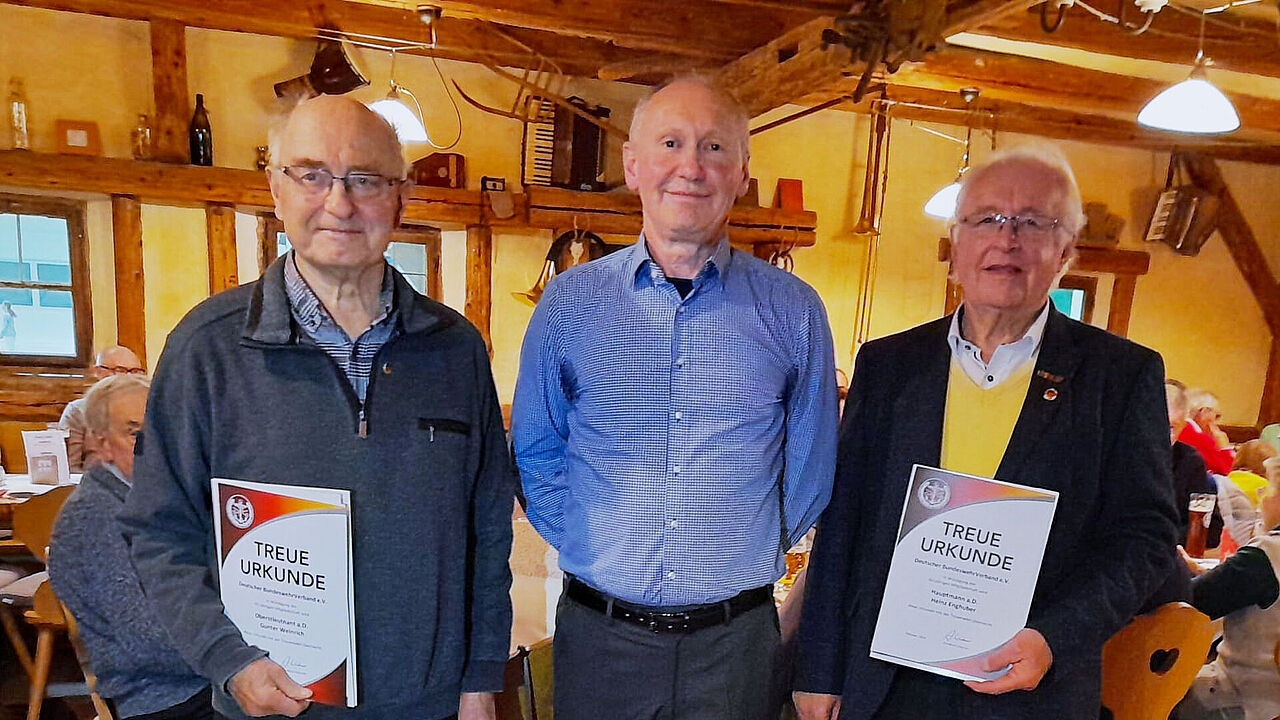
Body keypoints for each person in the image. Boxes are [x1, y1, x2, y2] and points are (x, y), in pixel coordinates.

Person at [118, 95, 514, 720]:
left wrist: (479, 681)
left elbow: (487, 531)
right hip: (278, 705)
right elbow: (160, 531)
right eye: (312, 175)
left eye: (365, 179)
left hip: (428, 704)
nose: (340, 202)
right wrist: (229, 660)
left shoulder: (455, 349)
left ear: (401, 198)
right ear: (276, 189)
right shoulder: (207, 348)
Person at [793, 146, 1177, 720]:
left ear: (1066, 250)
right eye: (987, 219)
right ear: (956, 246)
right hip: (884, 685)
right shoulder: (889, 365)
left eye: (1033, 222)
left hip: (1027, 689)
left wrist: (1054, 635)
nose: (1007, 239)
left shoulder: (1120, 377)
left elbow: (1145, 537)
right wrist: (818, 670)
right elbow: (843, 522)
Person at [512, 75, 838, 720]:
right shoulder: (570, 305)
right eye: (671, 143)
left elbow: (809, 469)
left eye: (715, 147)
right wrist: (595, 544)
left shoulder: (793, 311)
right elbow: (537, 450)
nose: (691, 166)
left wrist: (736, 553)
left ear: (743, 172)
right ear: (634, 166)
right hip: (601, 639)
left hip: (735, 647)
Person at [48, 375, 223, 720]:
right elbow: (147, 641)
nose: (155, 446)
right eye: (135, 433)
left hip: (200, 677)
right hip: (166, 696)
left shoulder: (155, 498)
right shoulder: (94, 517)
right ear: (102, 445)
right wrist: (236, 656)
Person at [1171, 455, 1280, 720]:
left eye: (1268, 489)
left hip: (1243, 701)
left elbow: (1191, 602)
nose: (1263, 498)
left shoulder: (1266, 556)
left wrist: (1170, 573)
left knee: (1144, 697)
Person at [59, 345, 144, 471]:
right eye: (120, 370)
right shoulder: (78, 411)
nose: (129, 378)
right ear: (98, 371)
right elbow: (69, 468)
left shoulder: (146, 412)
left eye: (135, 371)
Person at [1168, 380, 1222, 549]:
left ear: (1183, 425)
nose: (1161, 435)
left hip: (1168, 556)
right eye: (1155, 423)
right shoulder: (1118, 454)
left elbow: (1211, 527)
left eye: (1171, 427)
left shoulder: (1189, 461)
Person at [1179, 387, 1234, 475]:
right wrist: (1225, 448)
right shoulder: (1199, 438)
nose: (1217, 422)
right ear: (1205, 412)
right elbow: (1227, 472)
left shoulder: (1178, 428)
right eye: (1217, 416)